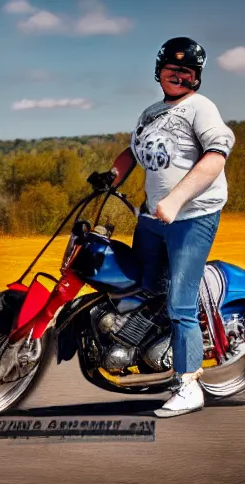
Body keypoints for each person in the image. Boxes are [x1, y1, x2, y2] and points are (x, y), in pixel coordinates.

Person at [104, 36, 236, 417]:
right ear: (158, 70)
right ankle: (144, 346)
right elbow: (134, 151)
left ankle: (188, 384)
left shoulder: (201, 109)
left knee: (180, 302)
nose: (178, 75)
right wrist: (109, 178)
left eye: (187, 71)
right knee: (144, 286)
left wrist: (177, 199)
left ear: (197, 77)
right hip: (152, 217)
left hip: (191, 217)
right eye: (172, 69)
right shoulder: (151, 112)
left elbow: (215, 157)